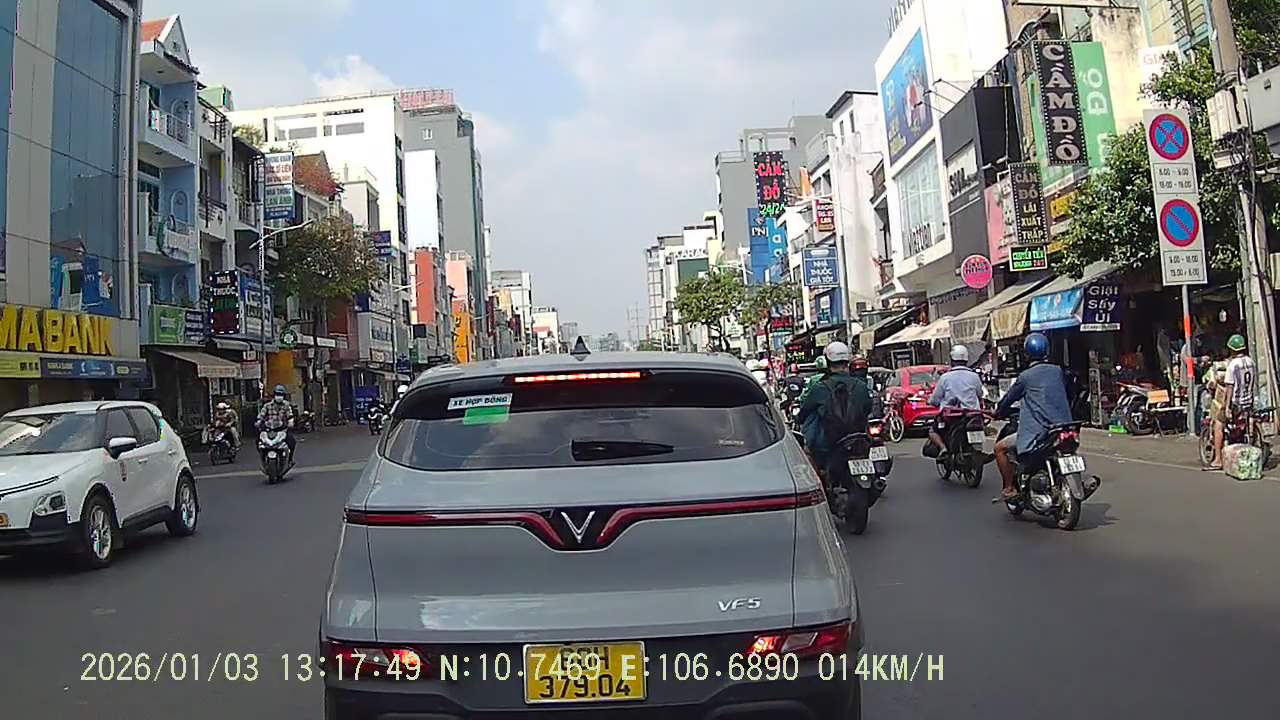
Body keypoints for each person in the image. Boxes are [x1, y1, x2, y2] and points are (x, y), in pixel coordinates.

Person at [993, 333, 1074, 501]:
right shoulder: (1057, 371)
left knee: (999, 448)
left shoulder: (1025, 377)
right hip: (1064, 427)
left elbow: (1009, 399)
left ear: (1027, 354)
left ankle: (1009, 487)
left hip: (1039, 432)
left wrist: (999, 411)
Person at [797, 342, 872, 478]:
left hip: (829, 443)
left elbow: (805, 412)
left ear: (827, 362)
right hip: (859, 438)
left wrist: (799, 420)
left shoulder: (820, 388)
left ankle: (819, 480)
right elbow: (868, 408)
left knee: (807, 454)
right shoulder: (861, 386)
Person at [927, 345, 984, 456]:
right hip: (972, 415)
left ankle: (943, 448)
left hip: (951, 417)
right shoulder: (974, 376)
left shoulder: (945, 378)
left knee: (932, 431)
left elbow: (935, 398)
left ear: (952, 360)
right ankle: (977, 451)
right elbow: (979, 394)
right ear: (966, 360)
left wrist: (932, 402)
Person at [1213, 334, 1256, 468]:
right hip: (1248, 401)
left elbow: (1229, 388)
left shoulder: (1232, 365)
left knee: (1218, 425)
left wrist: (1227, 407)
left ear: (1231, 349)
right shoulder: (1251, 362)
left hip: (1236, 403)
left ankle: (1218, 459)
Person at [256, 385, 297, 460]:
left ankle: (290, 459)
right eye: (277, 394)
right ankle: (263, 458)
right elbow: (261, 415)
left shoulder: (286, 405)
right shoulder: (267, 405)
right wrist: (258, 422)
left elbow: (290, 416)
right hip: (269, 430)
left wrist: (291, 422)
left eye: (281, 395)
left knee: (292, 442)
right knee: (258, 441)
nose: (279, 396)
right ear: (274, 395)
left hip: (282, 430)